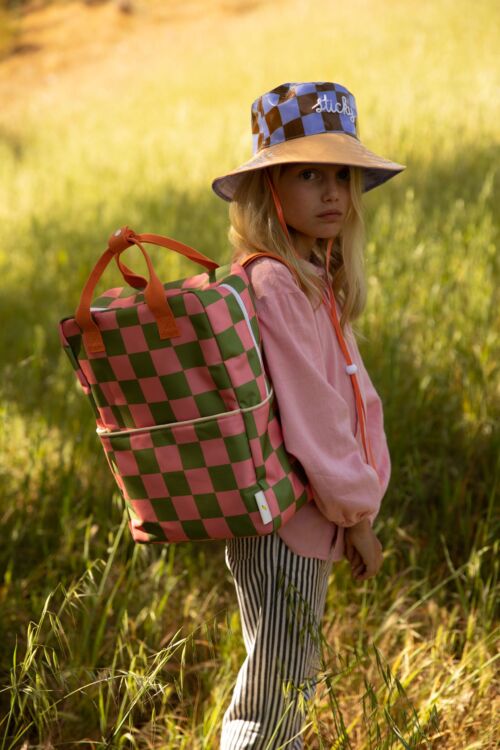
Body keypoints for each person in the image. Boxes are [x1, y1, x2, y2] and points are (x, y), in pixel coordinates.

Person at [211, 81, 406, 749]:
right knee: (275, 700)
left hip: (303, 516)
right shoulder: (276, 283)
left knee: (284, 682)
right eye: (308, 174)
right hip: (290, 522)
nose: (332, 192)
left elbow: (349, 393)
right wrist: (358, 516)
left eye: (343, 174)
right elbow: (315, 422)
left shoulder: (310, 275)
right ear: (268, 189)